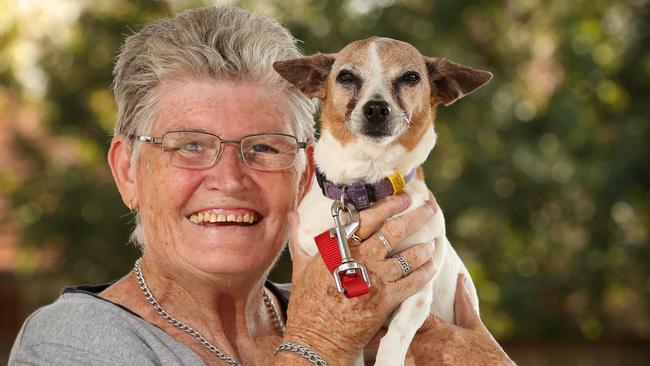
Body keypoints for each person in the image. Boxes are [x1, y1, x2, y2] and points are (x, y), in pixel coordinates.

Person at [8, 6, 514, 366]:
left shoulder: (357, 304)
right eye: (189, 145)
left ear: (304, 173)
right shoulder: (71, 344)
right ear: (127, 172)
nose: (229, 178)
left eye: (265, 147)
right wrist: (317, 345)